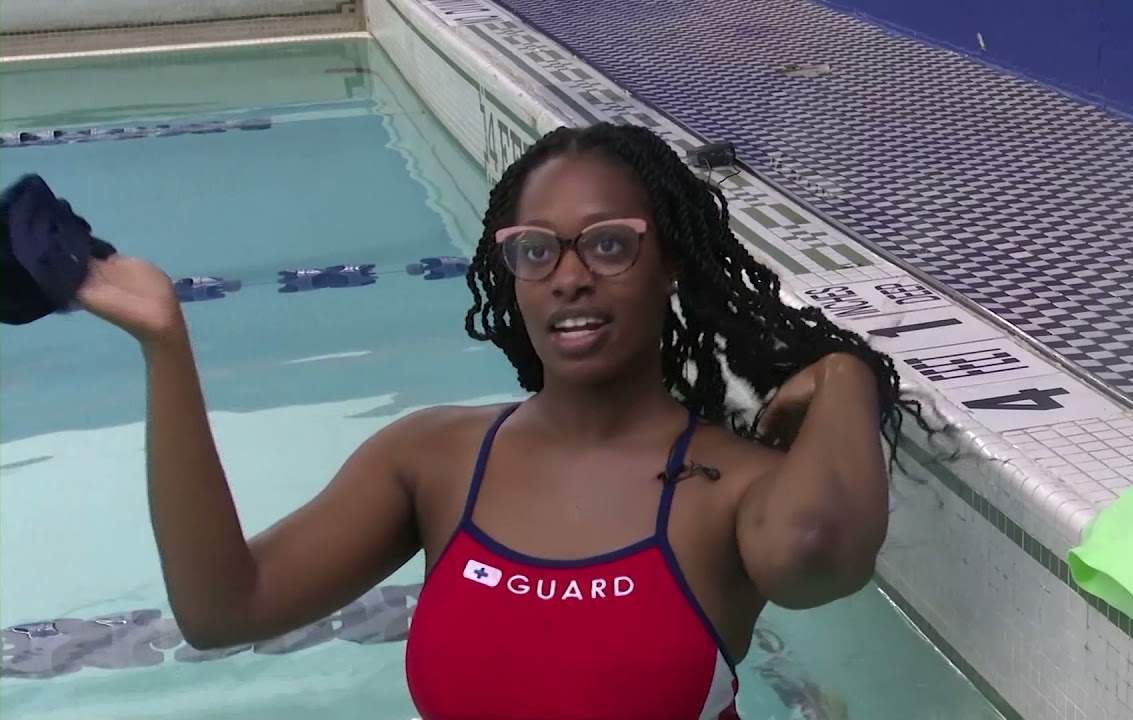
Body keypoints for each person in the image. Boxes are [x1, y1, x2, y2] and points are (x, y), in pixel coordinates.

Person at [78, 123, 926, 720]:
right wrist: (164, 345)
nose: (568, 276)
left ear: (669, 261)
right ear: (509, 273)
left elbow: (818, 557)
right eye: (535, 250)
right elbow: (224, 608)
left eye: (608, 244)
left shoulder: (730, 483)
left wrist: (847, 375)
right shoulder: (434, 458)